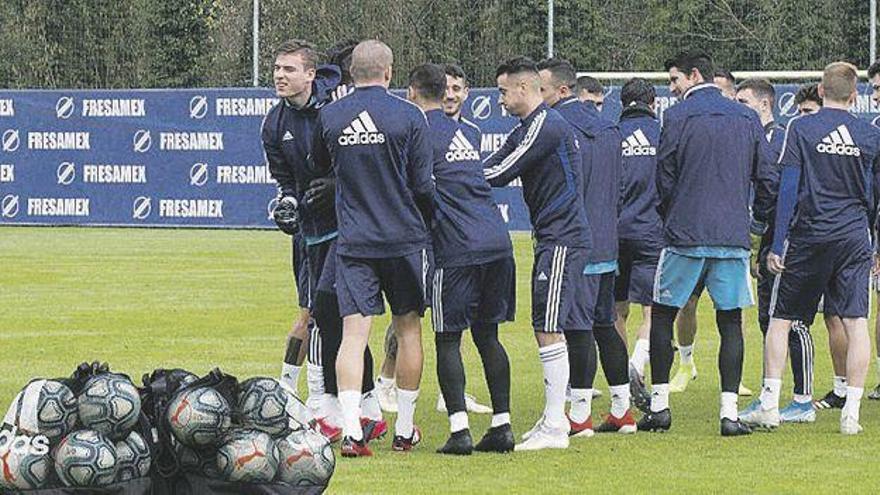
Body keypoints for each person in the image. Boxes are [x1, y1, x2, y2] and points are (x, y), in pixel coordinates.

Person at [639, 50, 774, 436]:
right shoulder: (747, 117)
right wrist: (754, 224)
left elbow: (663, 175)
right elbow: (767, 179)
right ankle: (728, 415)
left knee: (663, 314)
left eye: (674, 79)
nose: (671, 88)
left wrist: (673, 214)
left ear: (695, 74)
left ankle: (661, 406)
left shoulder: (677, 116)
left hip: (685, 233)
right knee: (731, 322)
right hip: (731, 236)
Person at [742, 62, 880, 435]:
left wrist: (776, 243)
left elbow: (789, 187)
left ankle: (769, 404)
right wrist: (871, 238)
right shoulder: (869, 135)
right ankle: (850, 412)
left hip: (810, 234)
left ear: (820, 91)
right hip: (854, 236)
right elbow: (875, 195)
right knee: (856, 323)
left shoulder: (800, 128)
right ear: (856, 96)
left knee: (781, 318)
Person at [310, 39, 434, 456]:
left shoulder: (329, 116)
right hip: (404, 240)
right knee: (409, 330)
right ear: (389, 71)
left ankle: (351, 432)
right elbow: (422, 185)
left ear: (351, 73)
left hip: (355, 241)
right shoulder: (410, 115)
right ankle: (404, 429)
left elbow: (319, 168)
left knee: (352, 335)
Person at [407, 64, 517, 455]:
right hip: (497, 243)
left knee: (447, 336)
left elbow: (419, 188)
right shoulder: (466, 133)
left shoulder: (417, 131)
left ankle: (459, 430)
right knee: (488, 335)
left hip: (456, 248)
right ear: (445, 93)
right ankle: (502, 425)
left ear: (413, 92)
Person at [484, 56, 592, 451]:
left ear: (524, 89)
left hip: (563, 236)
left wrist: (447, 179)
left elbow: (500, 172)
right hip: (552, 236)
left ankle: (555, 426)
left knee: (549, 326)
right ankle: (553, 420)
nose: (500, 99)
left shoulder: (547, 125)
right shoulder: (528, 126)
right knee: (544, 324)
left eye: (502, 91)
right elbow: (491, 164)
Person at [374, 63, 494, 416]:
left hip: (458, 239)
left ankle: (451, 394)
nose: (451, 95)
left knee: (457, 315)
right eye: (447, 89)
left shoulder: (471, 132)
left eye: (458, 89)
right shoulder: (417, 126)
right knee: (409, 313)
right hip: (423, 236)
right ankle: (386, 381)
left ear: (466, 93)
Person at [537, 58, 634, 435]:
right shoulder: (610, 128)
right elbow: (620, 187)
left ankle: (579, 415)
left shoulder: (556, 127)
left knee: (577, 328)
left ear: (562, 91)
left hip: (575, 242)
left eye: (541, 90)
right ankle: (622, 409)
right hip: (607, 242)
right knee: (604, 324)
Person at [262, 39, 342, 434]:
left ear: (310, 75)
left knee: (331, 316)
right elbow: (284, 181)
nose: (280, 75)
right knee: (312, 313)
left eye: (289, 69)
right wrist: (287, 205)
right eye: (277, 68)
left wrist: (334, 185)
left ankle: (328, 398)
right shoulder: (273, 124)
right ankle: (289, 390)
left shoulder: (335, 109)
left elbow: (360, 165)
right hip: (309, 233)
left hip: (347, 228)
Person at [734, 79, 816, 423]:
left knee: (791, 319)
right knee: (769, 318)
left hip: (787, 239)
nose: (739, 107)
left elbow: (779, 192)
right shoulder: (752, 137)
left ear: (765, 104)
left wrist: (763, 234)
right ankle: (772, 393)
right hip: (768, 240)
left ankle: (803, 398)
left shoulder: (781, 138)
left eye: (744, 101)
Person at [613, 77, 662, 413]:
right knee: (652, 309)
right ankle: (637, 365)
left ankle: (619, 380)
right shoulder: (664, 134)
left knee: (617, 310)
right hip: (652, 231)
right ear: (653, 103)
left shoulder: (610, 135)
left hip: (614, 233)